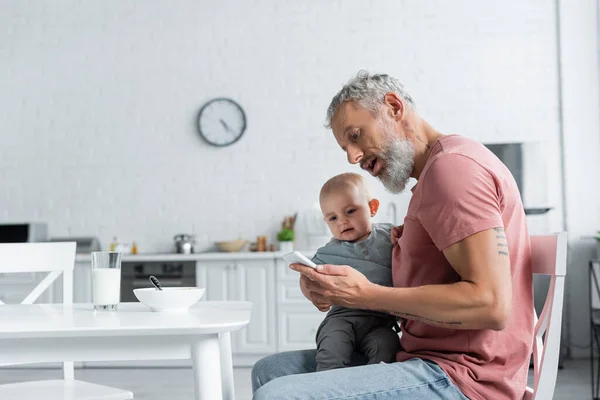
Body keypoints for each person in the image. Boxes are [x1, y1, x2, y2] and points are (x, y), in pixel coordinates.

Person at [252, 71, 532, 400]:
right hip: (424, 358)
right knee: (269, 371)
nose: (352, 157)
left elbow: (492, 306)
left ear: (394, 107)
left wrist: (365, 295)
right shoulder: (436, 174)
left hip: (462, 376)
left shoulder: (452, 171)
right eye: (345, 147)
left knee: (279, 394)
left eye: (356, 135)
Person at [309, 172, 400, 371]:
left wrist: (405, 237)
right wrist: (311, 291)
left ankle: (373, 389)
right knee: (332, 346)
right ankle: (326, 387)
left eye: (350, 211)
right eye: (333, 218)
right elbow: (309, 274)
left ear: (372, 208)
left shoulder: (390, 235)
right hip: (342, 317)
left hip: (380, 321)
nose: (342, 221)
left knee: (387, 346)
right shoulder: (329, 252)